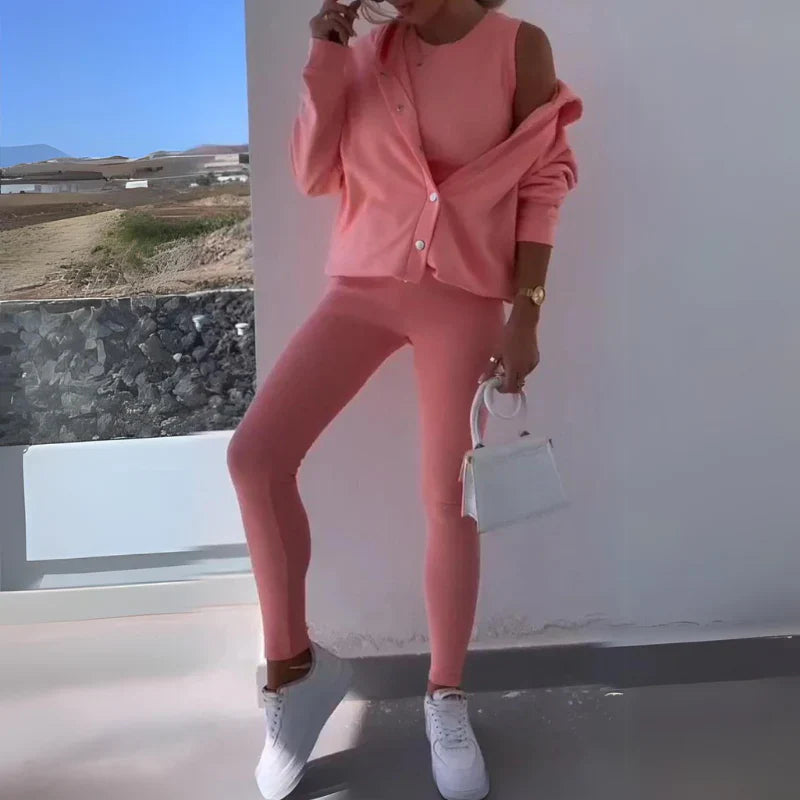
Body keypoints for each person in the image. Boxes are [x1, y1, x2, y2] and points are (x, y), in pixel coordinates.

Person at [226, 1, 582, 798]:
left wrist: (527, 313)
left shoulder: (518, 47)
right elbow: (312, 175)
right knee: (255, 457)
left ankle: (445, 696)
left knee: (448, 500)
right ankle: (293, 673)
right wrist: (325, 56)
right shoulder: (364, 55)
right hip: (362, 287)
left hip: (464, 298)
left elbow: (543, 182)